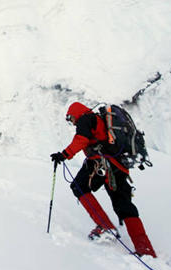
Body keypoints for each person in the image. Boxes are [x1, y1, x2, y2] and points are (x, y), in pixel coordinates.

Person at [50, 101, 157, 257]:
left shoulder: (85, 119)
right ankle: (145, 248)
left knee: (79, 186)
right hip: (117, 166)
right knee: (123, 204)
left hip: (102, 164)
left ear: (75, 113)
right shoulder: (96, 119)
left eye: (70, 118)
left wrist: (64, 154)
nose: (71, 122)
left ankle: (105, 226)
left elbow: (82, 139)